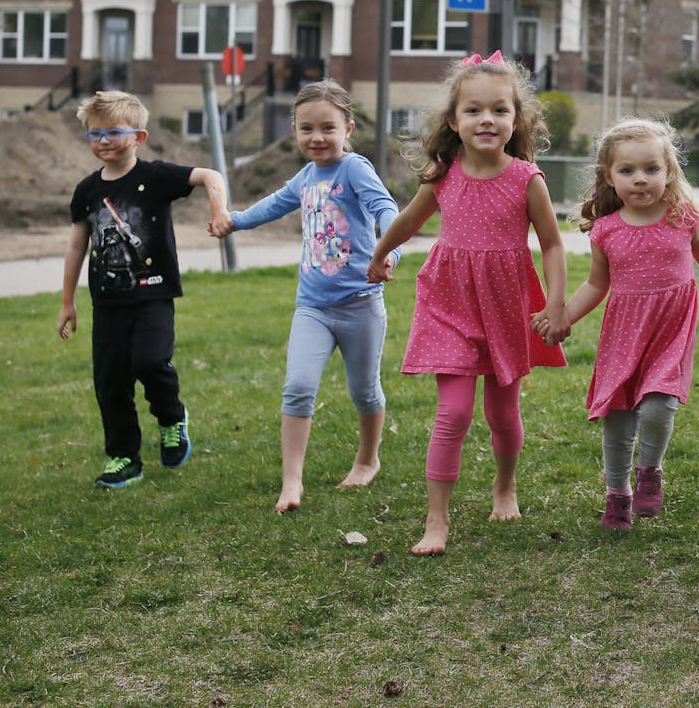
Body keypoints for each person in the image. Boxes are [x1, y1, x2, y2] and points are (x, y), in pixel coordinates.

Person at [367, 51, 567, 556]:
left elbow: (553, 244)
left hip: (507, 305)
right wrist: (380, 252)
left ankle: (504, 486)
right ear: (454, 121)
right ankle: (437, 521)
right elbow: (411, 220)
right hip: (450, 302)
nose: (487, 120)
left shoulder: (527, 179)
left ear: (515, 120)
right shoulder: (444, 173)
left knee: (503, 413)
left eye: (499, 110)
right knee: (452, 413)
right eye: (474, 110)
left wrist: (558, 304)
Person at [539, 118, 699, 531]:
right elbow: (595, 284)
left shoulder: (682, 217)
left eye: (651, 169)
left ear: (668, 171)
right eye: (627, 171)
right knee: (619, 416)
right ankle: (617, 494)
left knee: (660, 405)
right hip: (624, 332)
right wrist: (563, 316)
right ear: (609, 176)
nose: (640, 180)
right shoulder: (605, 231)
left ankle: (650, 471)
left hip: (669, 330)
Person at [210, 81, 401, 513]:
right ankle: (291, 482)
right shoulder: (306, 176)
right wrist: (234, 221)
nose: (317, 138)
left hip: (361, 304)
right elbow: (274, 204)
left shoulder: (354, 169)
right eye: (306, 129)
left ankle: (368, 459)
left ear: (347, 127)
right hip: (312, 307)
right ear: (294, 130)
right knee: (297, 387)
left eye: (328, 128)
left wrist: (389, 251)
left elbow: (386, 210)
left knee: (364, 392)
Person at [57, 90, 227, 488]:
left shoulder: (155, 177)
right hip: (108, 303)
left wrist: (218, 208)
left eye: (113, 132)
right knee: (111, 381)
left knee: (150, 362)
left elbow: (209, 175)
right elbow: (76, 245)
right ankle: (123, 458)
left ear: (139, 137)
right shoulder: (86, 190)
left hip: (153, 295)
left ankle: (171, 417)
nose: (102, 141)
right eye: (94, 134)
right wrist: (68, 301)